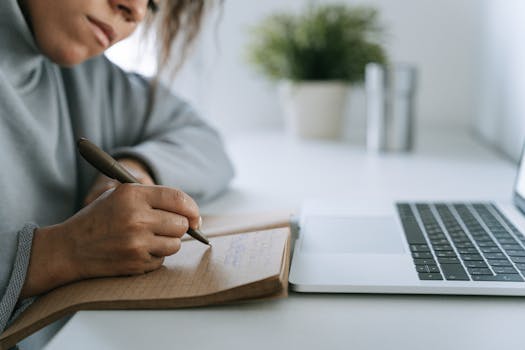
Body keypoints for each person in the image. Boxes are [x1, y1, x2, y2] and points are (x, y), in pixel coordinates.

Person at [0, 0, 234, 347]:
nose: (136, 11)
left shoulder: (85, 75)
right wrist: (58, 254)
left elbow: (204, 139)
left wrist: (136, 169)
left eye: (153, 5)